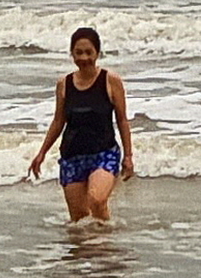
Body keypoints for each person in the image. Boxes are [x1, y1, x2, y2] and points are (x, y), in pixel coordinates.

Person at [22, 25, 136, 222]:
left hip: (104, 153)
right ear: (72, 54)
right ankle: (90, 249)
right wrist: (41, 153)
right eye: (78, 53)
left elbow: (122, 120)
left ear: (97, 53)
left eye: (88, 52)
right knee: (79, 219)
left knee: (97, 200)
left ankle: (105, 244)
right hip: (72, 156)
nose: (84, 58)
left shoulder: (110, 81)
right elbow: (58, 121)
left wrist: (128, 156)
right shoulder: (64, 84)